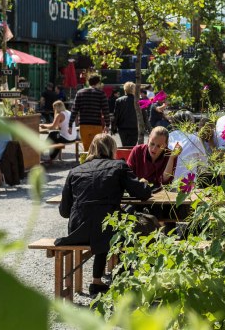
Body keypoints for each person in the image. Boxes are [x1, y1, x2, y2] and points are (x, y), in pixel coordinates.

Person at [56, 133, 153, 296]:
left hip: (77, 231)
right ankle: (126, 275)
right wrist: (143, 183)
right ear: (112, 149)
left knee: (100, 218)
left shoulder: (75, 171)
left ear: (91, 149)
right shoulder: (118, 167)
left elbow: (64, 212)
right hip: (107, 229)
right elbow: (142, 193)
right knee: (136, 223)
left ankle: (97, 281)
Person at [70, 74, 110, 151]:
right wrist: (107, 125)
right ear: (98, 83)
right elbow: (105, 111)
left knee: (86, 149)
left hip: (84, 125)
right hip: (96, 125)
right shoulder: (101, 94)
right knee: (97, 148)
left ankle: (87, 162)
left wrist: (70, 124)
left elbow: (74, 109)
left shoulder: (80, 93)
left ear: (88, 82)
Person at [167, 111, 209, 183]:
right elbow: (204, 164)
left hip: (168, 181)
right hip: (188, 183)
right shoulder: (195, 138)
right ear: (191, 123)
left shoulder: (168, 136)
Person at [113, 82, 139, 147]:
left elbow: (116, 115)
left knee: (124, 146)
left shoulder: (119, 100)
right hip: (134, 128)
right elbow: (143, 115)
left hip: (122, 128)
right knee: (132, 147)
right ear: (134, 90)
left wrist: (113, 127)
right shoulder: (138, 101)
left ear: (125, 90)